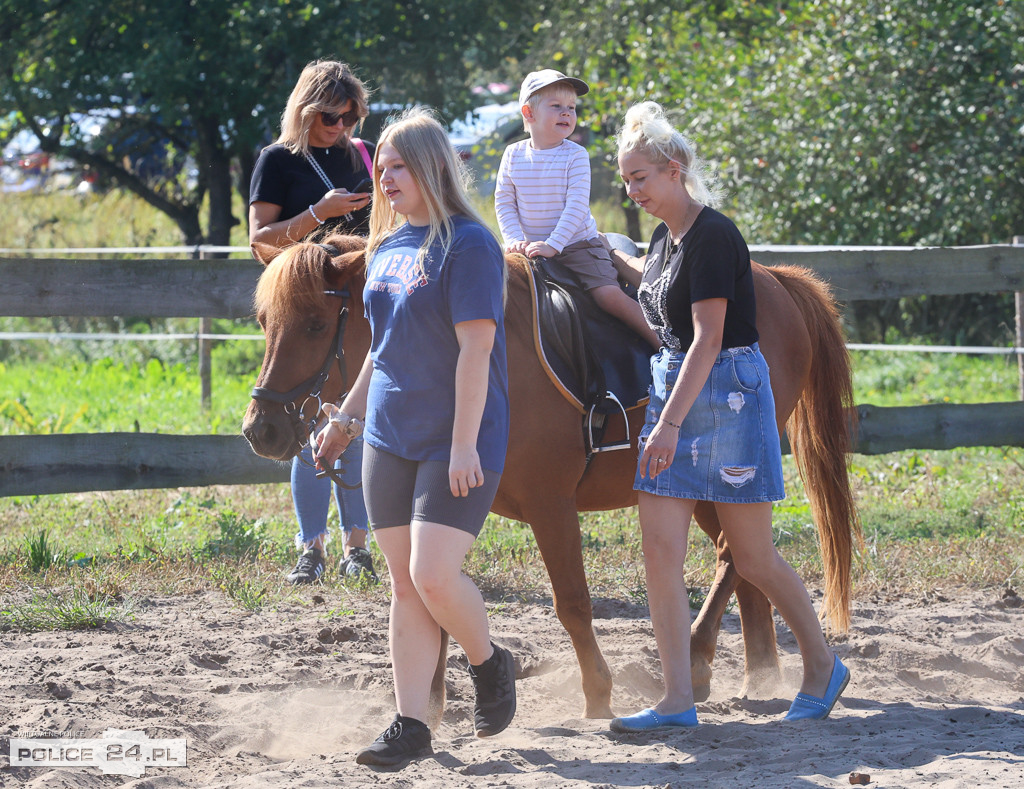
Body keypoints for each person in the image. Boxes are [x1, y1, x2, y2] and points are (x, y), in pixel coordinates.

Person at [605, 101, 849, 732]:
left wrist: (666, 426)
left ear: (675, 169)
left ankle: (823, 665)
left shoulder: (714, 235)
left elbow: (708, 338)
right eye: (626, 181)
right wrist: (608, 256)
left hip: (727, 397)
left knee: (755, 556)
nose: (633, 192)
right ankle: (677, 700)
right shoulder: (665, 238)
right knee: (659, 553)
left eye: (641, 179)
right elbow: (656, 290)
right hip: (677, 394)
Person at [313, 108, 516, 767]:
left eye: (398, 166)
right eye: (383, 167)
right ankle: (411, 723)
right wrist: (345, 419)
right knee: (404, 584)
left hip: (456, 436)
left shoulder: (470, 245)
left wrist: (463, 446)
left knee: (433, 573)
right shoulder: (389, 246)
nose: (386, 178)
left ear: (431, 167)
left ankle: (488, 663)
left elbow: (476, 351)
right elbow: (383, 347)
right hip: (388, 434)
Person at [248, 59, 377, 585]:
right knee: (309, 423)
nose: (341, 128)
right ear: (305, 111)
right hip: (305, 310)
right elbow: (260, 241)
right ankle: (312, 548)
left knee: (355, 425)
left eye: (350, 117)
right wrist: (319, 214)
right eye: (330, 117)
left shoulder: (364, 156)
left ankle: (358, 549)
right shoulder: (277, 160)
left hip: (359, 306)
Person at [494, 69, 660, 351]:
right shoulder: (513, 154)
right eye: (556, 106)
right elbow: (504, 201)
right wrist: (513, 240)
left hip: (576, 244)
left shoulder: (575, 155)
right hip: (529, 246)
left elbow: (576, 206)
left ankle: (667, 346)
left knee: (608, 295)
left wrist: (552, 245)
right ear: (529, 113)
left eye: (571, 108)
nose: (567, 113)